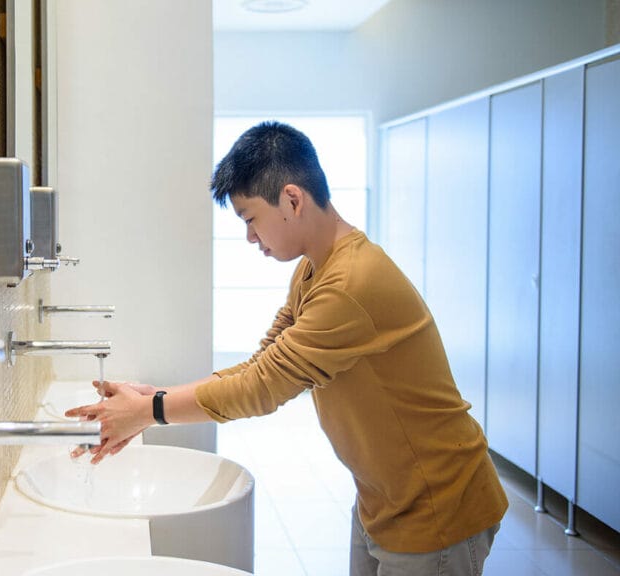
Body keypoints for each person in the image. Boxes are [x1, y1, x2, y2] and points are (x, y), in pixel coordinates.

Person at [66, 121, 508, 575]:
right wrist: (153, 398)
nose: (251, 238)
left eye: (250, 219)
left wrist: (152, 410)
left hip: (435, 504)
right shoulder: (314, 270)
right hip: (385, 497)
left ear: (292, 200)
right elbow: (262, 364)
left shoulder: (351, 283)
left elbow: (263, 387)